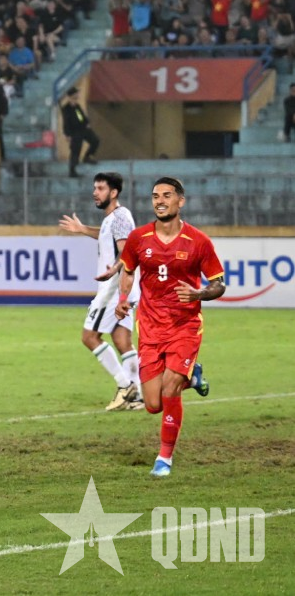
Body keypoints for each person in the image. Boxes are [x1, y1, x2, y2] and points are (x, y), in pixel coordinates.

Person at [110, 177, 224, 478]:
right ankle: (193, 375)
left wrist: (199, 294)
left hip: (185, 326)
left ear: (180, 201)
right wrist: (123, 300)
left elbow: (218, 284)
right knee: (152, 404)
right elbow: (128, 271)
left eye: (167, 195)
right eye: (155, 196)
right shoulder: (138, 238)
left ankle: (164, 458)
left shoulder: (199, 241)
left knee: (171, 386)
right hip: (150, 327)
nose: (160, 201)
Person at [58, 172, 143, 411]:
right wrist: (82, 228)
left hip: (114, 289)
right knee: (122, 340)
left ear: (113, 192)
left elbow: (126, 251)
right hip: (123, 288)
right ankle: (137, 397)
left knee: (89, 337)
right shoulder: (112, 219)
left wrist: (113, 270)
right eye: (95, 188)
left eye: (101, 188)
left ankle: (125, 386)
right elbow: (109, 235)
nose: (95, 192)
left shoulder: (120, 216)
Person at [60, 86, 99, 178]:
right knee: (75, 150)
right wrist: (67, 134)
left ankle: (87, 156)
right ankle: (72, 170)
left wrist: (87, 123)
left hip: (83, 129)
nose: (77, 95)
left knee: (95, 140)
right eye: (76, 94)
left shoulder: (77, 106)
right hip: (74, 131)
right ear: (71, 96)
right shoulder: (66, 108)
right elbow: (66, 122)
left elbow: (82, 117)